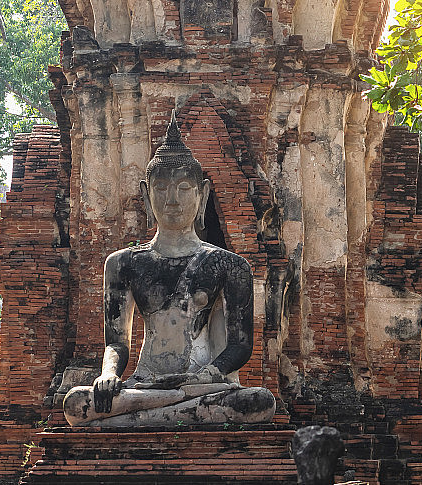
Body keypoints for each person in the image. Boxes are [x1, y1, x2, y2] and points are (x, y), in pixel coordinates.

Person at [63, 112, 276, 427]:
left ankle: (139, 418)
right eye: (161, 187)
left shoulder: (230, 266)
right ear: (147, 194)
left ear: (201, 193)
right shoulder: (123, 263)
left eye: (183, 187)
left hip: (202, 382)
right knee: (77, 403)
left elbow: (240, 346)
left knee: (257, 401)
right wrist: (108, 374)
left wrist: (205, 376)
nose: (172, 199)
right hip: (145, 382)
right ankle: (174, 411)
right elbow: (116, 342)